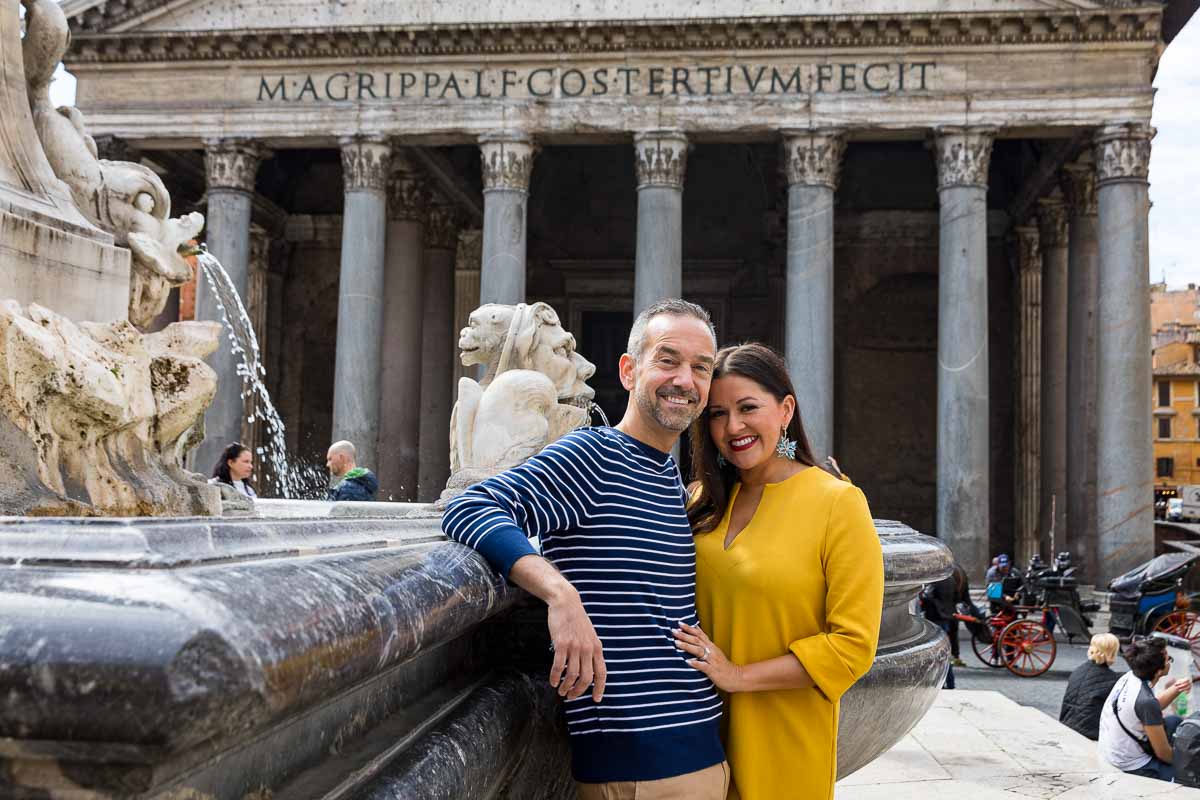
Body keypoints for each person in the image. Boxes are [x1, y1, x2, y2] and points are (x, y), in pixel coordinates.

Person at [442, 299, 729, 798]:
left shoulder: (667, 475)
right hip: (636, 765)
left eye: (700, 367)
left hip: (699, 747)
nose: (685, 379)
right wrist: (560, 594)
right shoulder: (592, 454)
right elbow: (472, 506)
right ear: (629, 369)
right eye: (667, 359)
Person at [678, 343, 884, 800]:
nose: (733, 427)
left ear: (785, 409)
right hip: (692, 736)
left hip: (783, 736)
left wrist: (737, 675)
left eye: (748, 407)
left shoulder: (837, 504)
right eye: (716, 414)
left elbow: (852, 646)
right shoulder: (699, 501)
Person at [1098, 636, 1191, 781]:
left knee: (1174, 721)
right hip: (1132, 764)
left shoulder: (1131, 676)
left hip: (1111, 748)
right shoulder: (1145, 701)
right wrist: (1188, 764)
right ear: (1159, 671)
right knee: (1189, 776)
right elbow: (1163, 753)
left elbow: (1148, 708)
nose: (1169, 662)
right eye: (1169, 659)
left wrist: (1176, 688)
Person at [1060, 633, 1122, 740]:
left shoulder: (1078, 670)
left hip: (1067, 724)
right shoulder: (1111, 679)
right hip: (1091, 731)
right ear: (1111, 653)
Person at [921, 571, 959, 689]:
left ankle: (941, 682)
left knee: (938, 653)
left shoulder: (935, 581)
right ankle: (950, 682)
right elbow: (957, 597)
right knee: (944, 652)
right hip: (947, 618)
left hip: (936, 618)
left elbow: (927, 596)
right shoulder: (952, 580)